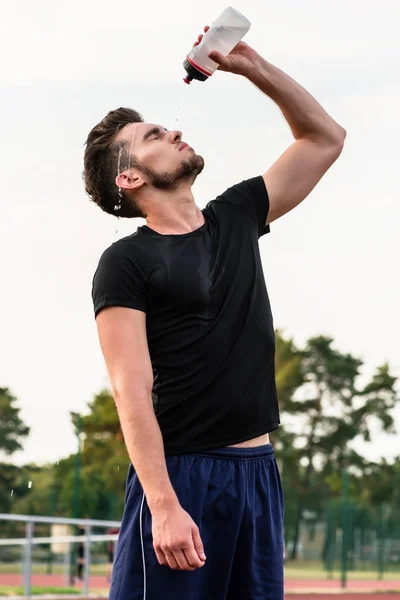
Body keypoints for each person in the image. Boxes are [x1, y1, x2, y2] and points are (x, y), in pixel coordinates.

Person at [84, 25, 346, 600]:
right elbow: (132, 392)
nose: (173, 131)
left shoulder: (237, 215)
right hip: (181, 478)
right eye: (153, 135)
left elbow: (325, 137)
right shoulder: (125, 263)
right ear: (129, 178)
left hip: (257, 475)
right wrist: (164, 505)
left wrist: (253, 68)